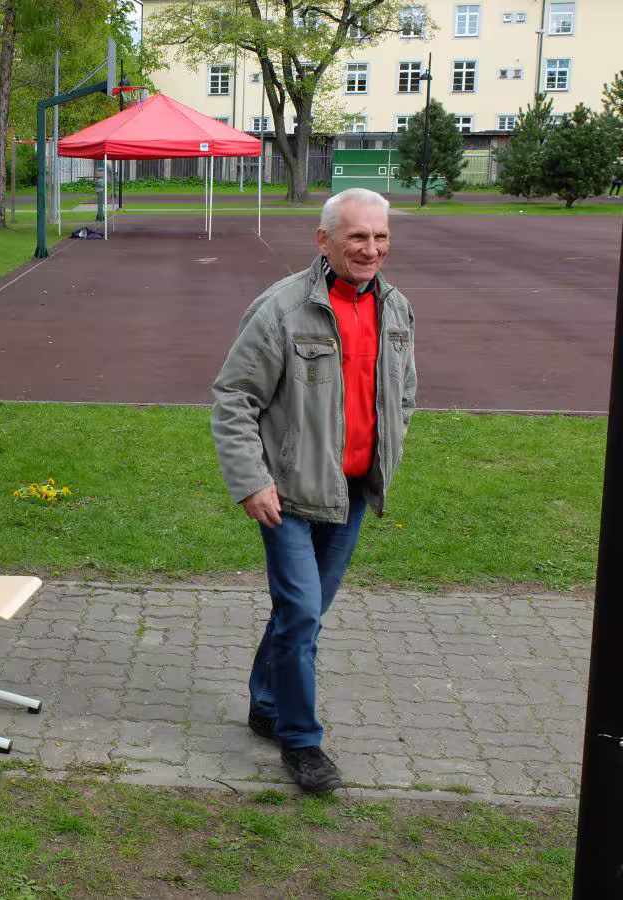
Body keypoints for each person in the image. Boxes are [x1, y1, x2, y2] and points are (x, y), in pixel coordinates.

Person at [210, 188, 416, 794]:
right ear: (324, 241)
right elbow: (234, 397)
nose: (371, 249)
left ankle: (266, 702)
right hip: (289, 495)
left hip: (352, 492)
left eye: (380, 237)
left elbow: (404, 391)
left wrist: (388, 449)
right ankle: (300, 742)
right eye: (357, 237)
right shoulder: (282, 308)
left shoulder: (397, 309)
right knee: (301, 613)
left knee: (303, 613)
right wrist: (252, 481)